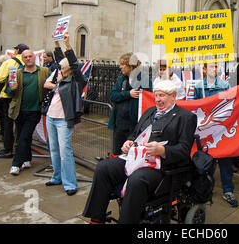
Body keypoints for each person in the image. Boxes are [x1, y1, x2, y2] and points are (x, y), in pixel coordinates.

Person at [82, 80, 197, 224]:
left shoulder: (186, 117)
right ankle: (97, 219)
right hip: (137, 159)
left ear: (173, 96)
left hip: (161, 166)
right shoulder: (150, 111)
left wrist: (162, 150)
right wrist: (129, 142)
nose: (157, 100)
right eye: (156, 96)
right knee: (103, 168)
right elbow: (135, 133)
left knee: (137, 180)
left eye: (161, 96)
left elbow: (184, 151)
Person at [43, 32, 87, 195]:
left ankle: (70, 184)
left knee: (64, 151)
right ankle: (57, 177)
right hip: (51, 117)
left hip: (63, 120)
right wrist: (56, 42)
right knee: (53, 149)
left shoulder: (76, 80)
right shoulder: (60, 76)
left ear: (68, 70)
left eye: (61, 68)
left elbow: (73, 63)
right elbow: (59, 59)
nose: (59, 69)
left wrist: (67, 44)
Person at [193, 62, 238, 207]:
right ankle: (206, 189)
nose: (215, 69)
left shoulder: (225, 85)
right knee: (208, 162)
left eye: (217, 67)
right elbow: (195, 107)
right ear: (204, 69)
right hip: (206, 130)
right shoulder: (199, 86)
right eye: (212, 67)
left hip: (221, 129)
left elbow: (231, 104)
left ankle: (228, 190)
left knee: (225, 162)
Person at [7, 50, 50, 175]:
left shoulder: (44, 71)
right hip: (19, 111)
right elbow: (9, 92)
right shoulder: (17, 73)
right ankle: (27, 158)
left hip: (34, 111)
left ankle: (16, 164)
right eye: (25, 57)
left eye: (30, 56)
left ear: (34, 57)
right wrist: (11, 88)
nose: (28, 58)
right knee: (21, 136)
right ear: (23, 59)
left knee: (24, 137)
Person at [108, 52, 152, 155]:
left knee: (131, 154)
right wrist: (128, 94)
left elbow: (148, 102)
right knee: (117, 153)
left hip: (134, 127)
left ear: (130, 66)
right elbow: (112, 96)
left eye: (123, 64)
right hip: (119, 125)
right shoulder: (122, 79)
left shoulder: (144, 80)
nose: (120, 67)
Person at [0, 44, 29, 158]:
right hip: (23, 96)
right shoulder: (28, 62)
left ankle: (8, 149)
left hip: (9, 96)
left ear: (17, 50)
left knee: (8, 123)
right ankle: (20, 148)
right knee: (20, 123)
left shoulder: (9, 62)